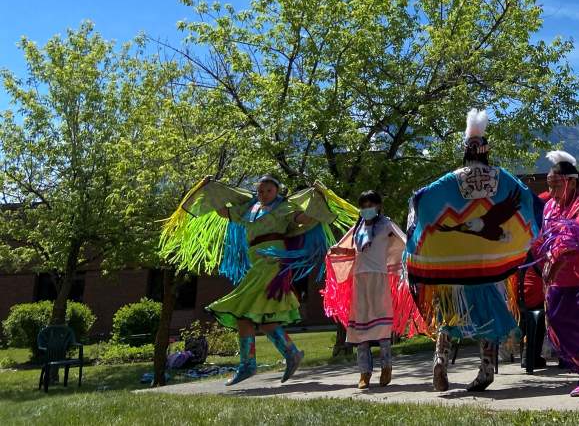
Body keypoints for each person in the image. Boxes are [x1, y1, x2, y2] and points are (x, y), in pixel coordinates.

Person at [161, 174, 357, 386]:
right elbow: (223, 212)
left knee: (241, 309)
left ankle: (253, 364)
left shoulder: (285, 207)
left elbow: (306, 219)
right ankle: (282, 356)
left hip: (273, 261)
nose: (264, 194)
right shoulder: (249, 209)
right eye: (261, 191)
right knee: (259, 321)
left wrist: (318, 201)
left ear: (277, 191)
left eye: (269, 190)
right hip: (257, 263)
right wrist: (212, 189)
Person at [404, 109, 538, 393]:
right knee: (488, 315)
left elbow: (422, 199)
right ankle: (486, 370)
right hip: (490, 267)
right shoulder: (502, 178)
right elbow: (527, 200)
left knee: (449, 314)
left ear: (466, 152)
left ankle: (439, 360)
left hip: (456, 269)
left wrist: (415, 221)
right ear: (486, 152)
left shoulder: (451, 180)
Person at [324, 190, 422, 389]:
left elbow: (405, 242)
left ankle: (386, 367)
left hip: (379, 277)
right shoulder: (358, 227)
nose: (367, 209)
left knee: (382, 326)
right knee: (360, 326)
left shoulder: (385, 225)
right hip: (360, 279)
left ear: (379, 206)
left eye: (371, 205)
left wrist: (418, 252)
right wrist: (338, 251)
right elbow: (351, 248)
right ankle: (364, 373)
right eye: (364, 206)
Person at [531, 150, 579, 397]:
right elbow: (546, 240)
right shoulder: (550, 208)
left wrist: (554, 264)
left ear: (572, 182)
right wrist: (545, 262)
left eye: (557, 183)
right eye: (550, 184)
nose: (552, 189)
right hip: (559, 277)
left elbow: (572, 245)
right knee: (555, 320)